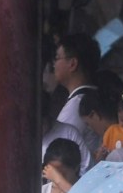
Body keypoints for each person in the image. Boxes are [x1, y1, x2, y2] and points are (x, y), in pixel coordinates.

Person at [45, 34, 106, 167]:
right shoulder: (94, 97)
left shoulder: (77, 106)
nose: (53, 64)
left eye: (57, 58)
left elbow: (57, 151)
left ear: (72, 64)